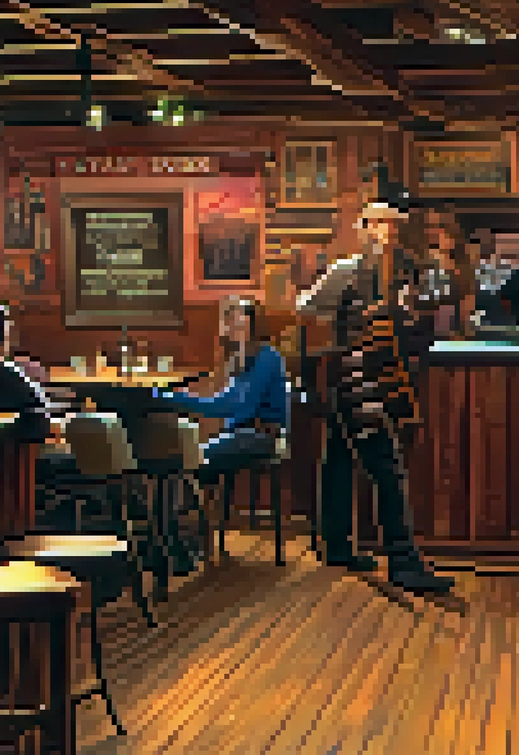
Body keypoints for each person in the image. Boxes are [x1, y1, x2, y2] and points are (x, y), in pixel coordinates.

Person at [297, 203, 453, 594]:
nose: (387, 231)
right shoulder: (348, 270)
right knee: (386, 467)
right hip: (355, 377)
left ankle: (336, 545)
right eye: (380, 223)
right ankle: (403, 562)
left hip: (374, 374)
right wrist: (347, 319)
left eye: (393, 224)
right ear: (365, 228)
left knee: (339, 459)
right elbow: (306, 307)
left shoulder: (401, 271)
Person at [151, 297, 289, 472]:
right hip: (242, 435)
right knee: (185, 455)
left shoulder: (267, 357)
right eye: (229, 321)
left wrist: (168, 399)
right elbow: (224, 402)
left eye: (238, 322)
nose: (230, 327)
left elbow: (231, 405)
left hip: (260, 437)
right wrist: (169, 398)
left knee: (191, 459)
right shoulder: (244, 358)